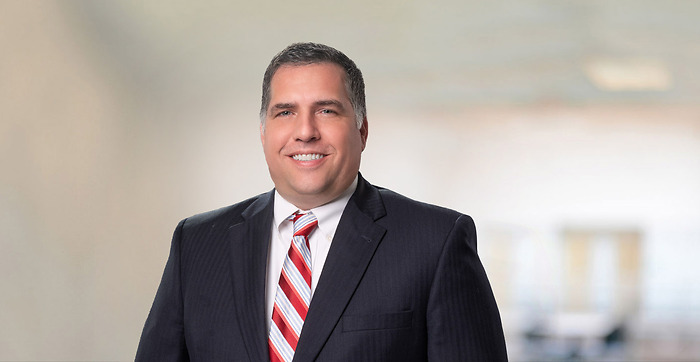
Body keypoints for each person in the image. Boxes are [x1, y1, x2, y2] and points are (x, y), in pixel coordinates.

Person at [136, 42, 507, 361]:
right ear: (264, 132)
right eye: (285, 112)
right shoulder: (198, 243)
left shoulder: (435, 242)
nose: (305, 132)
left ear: (362, 130)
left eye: (327, 110)